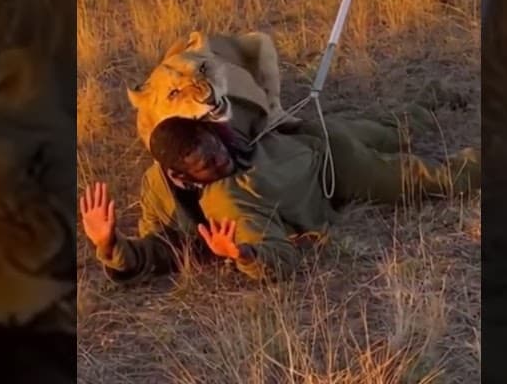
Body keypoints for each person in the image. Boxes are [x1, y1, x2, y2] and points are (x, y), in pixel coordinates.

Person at [79, 97, 479, 283]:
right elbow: (158, 251)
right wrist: (111, 246)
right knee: (437, 180)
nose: (222, 159)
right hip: (340, 173)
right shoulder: (223, 201)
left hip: (316, 133)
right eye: (210, 166)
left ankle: (437, 95)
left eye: (216, 147)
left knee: (403, 126)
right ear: (184, 177)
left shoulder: (223, 128)